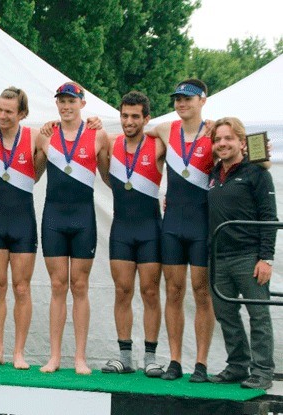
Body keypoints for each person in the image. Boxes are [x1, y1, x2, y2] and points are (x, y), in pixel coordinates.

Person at [35, 82, 110, 374]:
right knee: (56, 286)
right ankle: (54, 356)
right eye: (62, 101)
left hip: (83, 219)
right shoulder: (45, 135)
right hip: (53, 217)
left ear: (82, 102)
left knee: (79, 286)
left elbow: (109, 176)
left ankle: (80, 357)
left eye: (71, 101)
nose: (66, 106)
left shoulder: (98, 134)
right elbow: (32, 173)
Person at [145, 79, 216, 382]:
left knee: (202, 292)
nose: (182, 103)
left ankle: (200, 363)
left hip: (202, 224)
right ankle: (175, 360)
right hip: (172, 223)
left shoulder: (215, 132)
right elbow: (135, 130)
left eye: (188, 99)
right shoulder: (165, 129)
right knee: (173, 291)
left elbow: (249, 157)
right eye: (177, 99)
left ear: (203, 100)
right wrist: (93, 120)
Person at [208, 117, 277, 390]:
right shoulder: (213, 175)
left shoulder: (257, 174)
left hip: (249, 257)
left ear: (241, 142)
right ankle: (237, 365)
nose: (222, 144)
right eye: (217, 140)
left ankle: (262, 371)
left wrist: (266, 258)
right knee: (226, 314)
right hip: (218, 257)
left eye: (228, 138)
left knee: (258, 315)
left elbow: (269, 217)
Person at [101, 91, 165, 377]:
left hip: (151, 228)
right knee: (122, 291)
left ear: (146, 118)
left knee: (150, 292)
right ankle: (125, 357)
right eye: (124, 115)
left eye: (135, 116)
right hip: (122, 229)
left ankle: (150, 357)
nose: (129, 121)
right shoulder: (111, 143)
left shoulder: (158, 143)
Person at [0, 87, 41, 370]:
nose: (2, 116)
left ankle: (19, 352)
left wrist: (94, 123)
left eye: (8, 111)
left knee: (21, 288)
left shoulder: (35, 136)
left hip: (22, 222)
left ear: (22, 114)